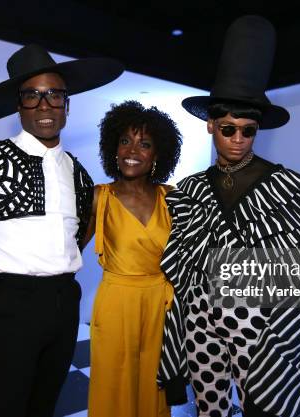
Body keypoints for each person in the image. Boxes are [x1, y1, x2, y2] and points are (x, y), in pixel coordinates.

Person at [157, 17, 300, 417]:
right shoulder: (192, 188)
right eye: (228, 128)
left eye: (248, 130)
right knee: (210, 404)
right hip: (198, 316)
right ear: (210, 124)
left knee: (260, 405)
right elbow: (181, 261)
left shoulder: (286, 186)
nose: (238, 139)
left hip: (258, 325)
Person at [0, 44, 123, 417]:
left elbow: (76, 235)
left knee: (43, 406)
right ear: (18, 105)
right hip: (5, 306)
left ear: (67, 105)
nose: (45, 105)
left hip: (61, 303)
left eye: (55, 95)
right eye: (32, 96)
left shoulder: (78, 172)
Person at [83, 101, 183, 417]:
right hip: (116, 303)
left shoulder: (172, 197)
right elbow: (66, 252)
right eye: (125, 140)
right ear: (113, 147)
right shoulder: (100, 196)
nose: (133, 150)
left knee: (154, 387)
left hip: (160, 306)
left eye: (145, 144)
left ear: (157, 155)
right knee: (114, 385)